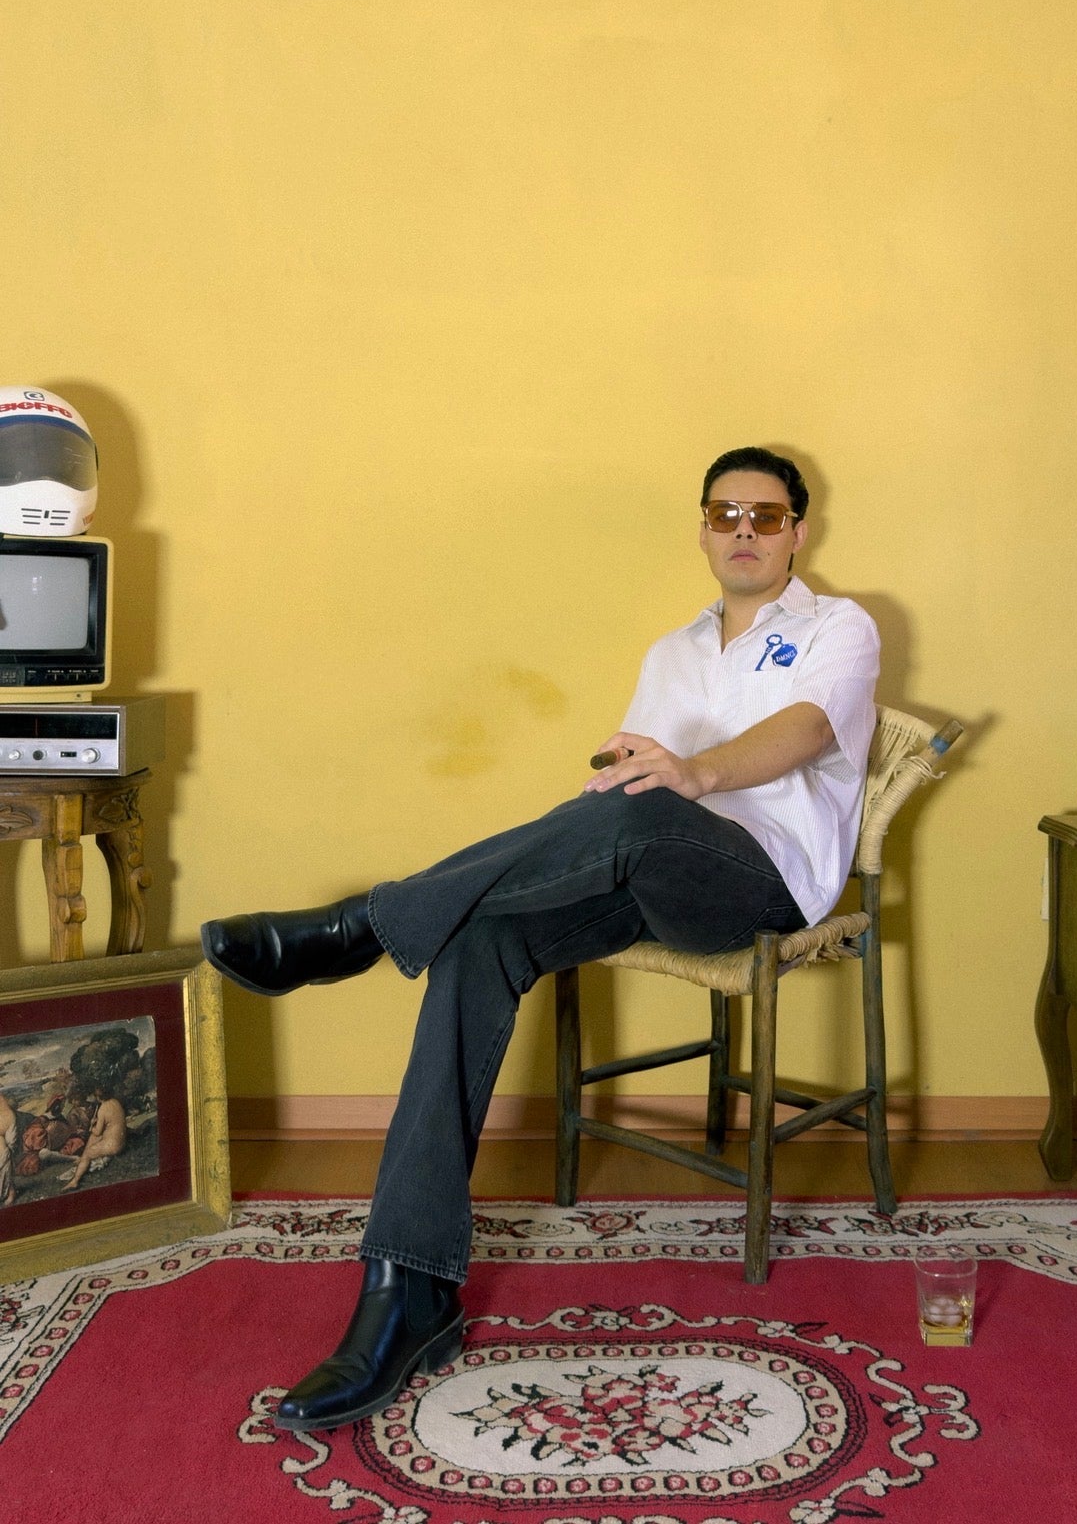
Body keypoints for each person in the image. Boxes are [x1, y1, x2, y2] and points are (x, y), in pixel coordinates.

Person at [202, 446, 880, 1432]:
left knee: (643, 810)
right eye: (725, 513)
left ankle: (362, 925)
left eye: (766, 516)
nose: (744, 530)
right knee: (477, 937)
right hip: (646, 870)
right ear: (702, 528)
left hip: (763, 881)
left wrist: (691, 773)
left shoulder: (838, 626)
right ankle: (407, 1289)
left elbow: (810, 731)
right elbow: (628, 779)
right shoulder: (672, 652)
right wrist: (627, 771)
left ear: (797, 532)